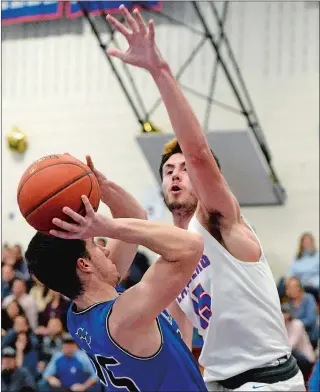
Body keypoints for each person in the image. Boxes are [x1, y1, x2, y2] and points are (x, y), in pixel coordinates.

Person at [105, 5, 305, 391]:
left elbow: (198, 152)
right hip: (216, 381)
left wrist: (159, 71)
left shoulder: (219, 220)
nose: (176, 174)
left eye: (184, 169)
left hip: (269, 381)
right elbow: (179, 336)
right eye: (168, 171)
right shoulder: (172, 255)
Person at [24, 156, 206, 391]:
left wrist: (101, 186)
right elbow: (191, 246)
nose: (104, 248)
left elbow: (135, 216)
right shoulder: (124, 318)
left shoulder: (80, 312)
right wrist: (106, 226)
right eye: (95, 244)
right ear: (85, 265)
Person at [281, 303, 315, 381]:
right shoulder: (282, 325)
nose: (284, 315)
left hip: (305, 358)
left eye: (285, 312)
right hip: (293, 357)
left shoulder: (297, 324)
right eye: (282, 312)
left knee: (290, 353)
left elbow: (291, 344)